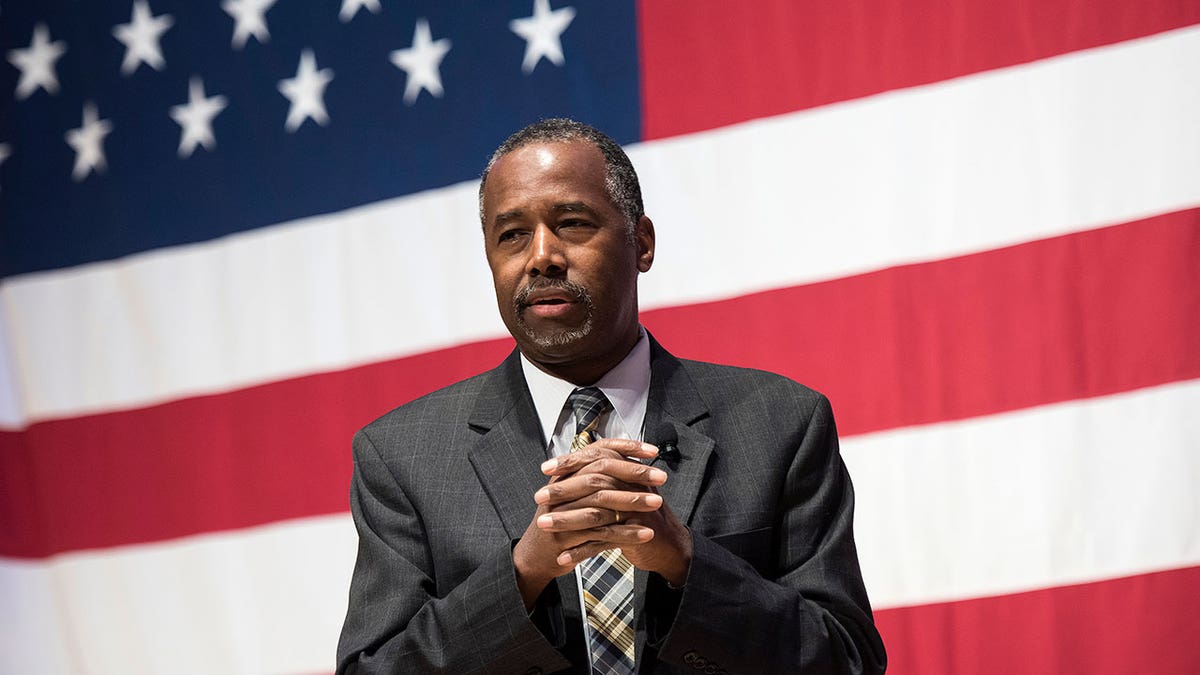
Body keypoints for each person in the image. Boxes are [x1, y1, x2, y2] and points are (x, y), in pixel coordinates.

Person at [335, 119, 886, 674]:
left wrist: (688, 562)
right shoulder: (401, 456)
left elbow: (848, 660)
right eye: (512, 235)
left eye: (572, 224)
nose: (542, 256)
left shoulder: (780, 423)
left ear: (641, 243)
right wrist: (522, 573)